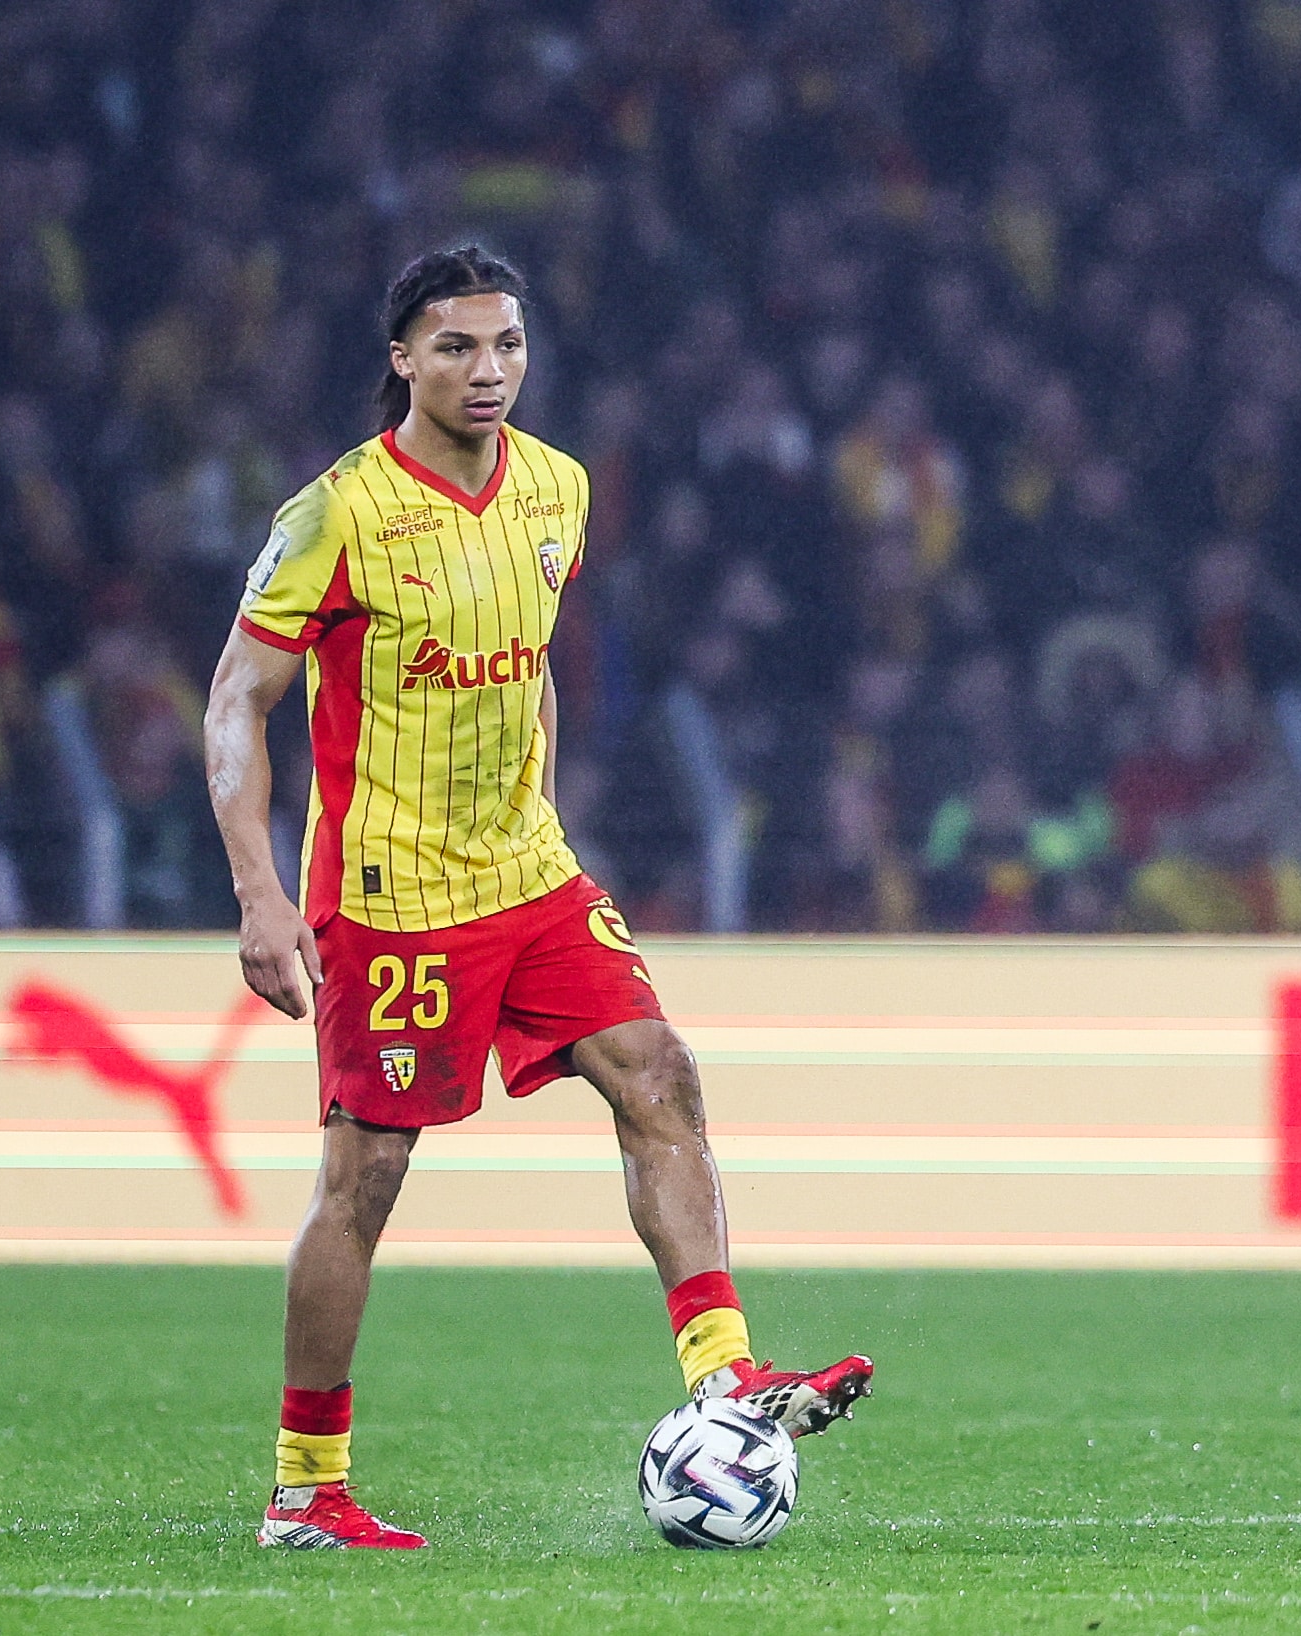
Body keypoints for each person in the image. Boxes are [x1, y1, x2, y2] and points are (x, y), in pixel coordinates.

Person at [202, 247, 873, 1552]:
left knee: (660, 1073)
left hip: (531, 878)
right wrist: (261, 894)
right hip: (393, 901)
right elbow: (239, 699)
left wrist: (545, 817)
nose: (489, 371)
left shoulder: (557, 489)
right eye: (456, 347)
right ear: (401, 357)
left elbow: (532, 669)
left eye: (506, 345)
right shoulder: (336, 512)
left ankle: (725, 1375)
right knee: (367, 1177)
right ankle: (305, 1489)